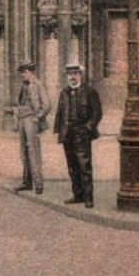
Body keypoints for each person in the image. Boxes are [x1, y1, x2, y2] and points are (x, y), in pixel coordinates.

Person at [54, 63, 103, 208]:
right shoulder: (64, 93)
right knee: (72, 166)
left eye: (75, 73)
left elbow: (97, 113)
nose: (72, 77)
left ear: (80, 75)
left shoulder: (89, 92)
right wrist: (59, 131)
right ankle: (77, 195)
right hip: (68, 134)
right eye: (70, 74)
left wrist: (87, 128)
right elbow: (60, 114)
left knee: (84, 166)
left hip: (82, 134)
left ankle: (88, 197)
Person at [14, 61, 51, 195]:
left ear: (31, 72)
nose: (23, 75)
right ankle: (26, 182)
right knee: (24, 152)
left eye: (25, 72)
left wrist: (37, 117)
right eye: (21, 72)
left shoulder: (38, 85)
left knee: (33, 152)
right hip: (22, 120)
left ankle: (38, 184)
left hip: (31, 120)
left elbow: (47, 105)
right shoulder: (23, 86)